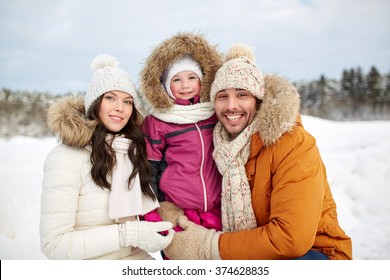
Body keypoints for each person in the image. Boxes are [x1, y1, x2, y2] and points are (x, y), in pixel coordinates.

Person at [162, 44, 353, 260]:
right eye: (222, 96)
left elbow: (291, 240)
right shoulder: (219, 146)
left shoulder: (293, 144)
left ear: (258, 99)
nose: (231, 106)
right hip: (252, 252)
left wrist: (207, 246)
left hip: (313, 254)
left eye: (242, 95)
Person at [40, 54, 174, 260]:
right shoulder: (66, 158)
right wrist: (128, 234)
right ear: (95, 104)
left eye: (127, 101)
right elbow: (54, 244)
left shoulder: (132, 153)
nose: (120, 108)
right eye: (110, 98)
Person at [137, 32, 223, 238]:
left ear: (203, 80)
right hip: (178, 210)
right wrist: (156, 208)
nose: (185, 85)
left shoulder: (213, 114)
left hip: (217, 208)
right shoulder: (159, 121)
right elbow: (149, 169)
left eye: (192, 78)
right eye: (177, 80)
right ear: (166, 87)